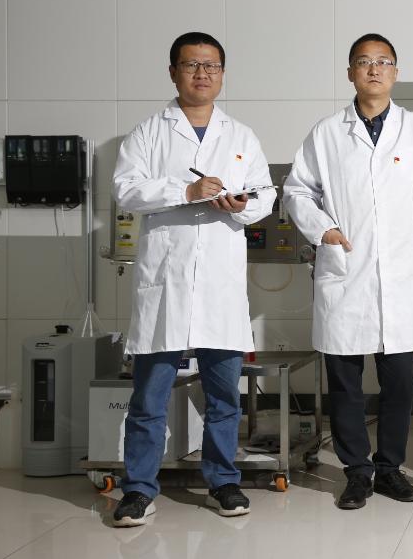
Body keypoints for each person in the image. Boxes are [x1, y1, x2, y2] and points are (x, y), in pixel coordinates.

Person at [284, 33, 413, 510]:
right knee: (345, 383)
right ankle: (357, 472)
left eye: (383, 62)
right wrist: (322, 228)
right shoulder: (327, 133)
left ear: (396, 73)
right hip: (346, 271)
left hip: (402, 279)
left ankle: (390, 468)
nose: (374, 69)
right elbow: (296, 190)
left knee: (400, 382)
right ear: (350, 73)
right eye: (364, 62)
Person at [110, 31, 276, 526]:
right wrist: (186, 190)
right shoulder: (148, 132)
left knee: (225, 397)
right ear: (173, 73)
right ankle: (139, 489)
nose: (202, 74)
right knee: (149, 398)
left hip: (220, 286)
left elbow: (265, 196)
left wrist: (241, 204)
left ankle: (223, 481)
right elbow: (126, 191)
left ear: (223, 74)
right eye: (191, 65)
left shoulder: (241, 135)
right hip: (166, 284)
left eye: (211, 66)